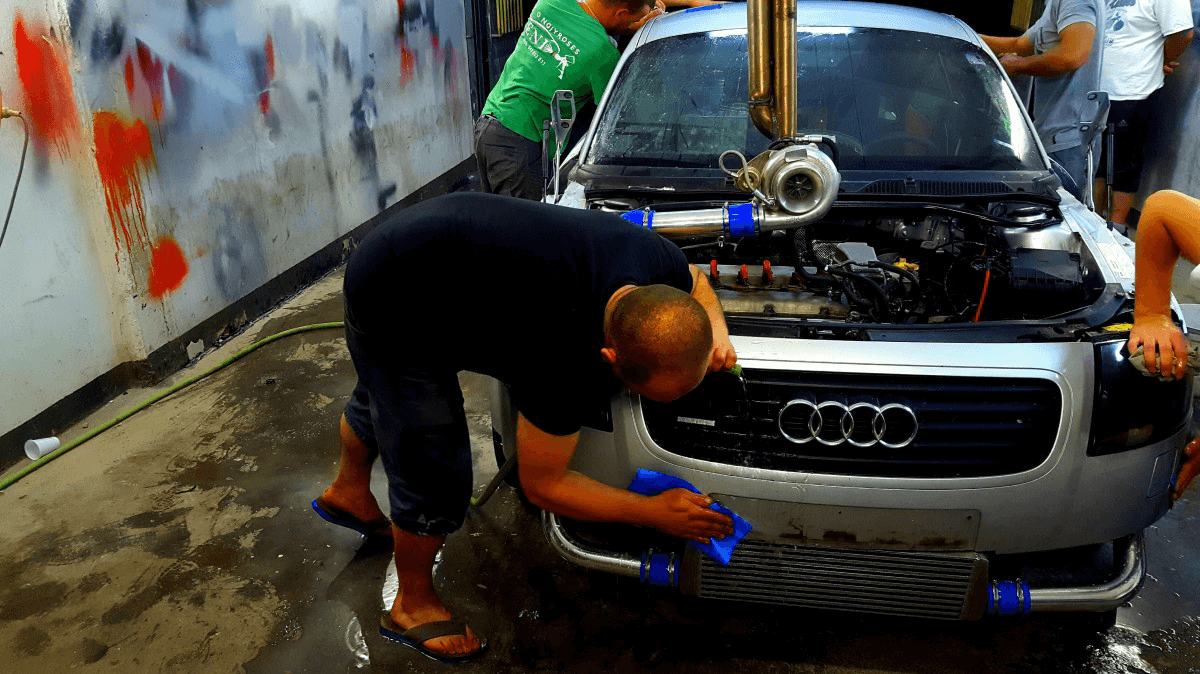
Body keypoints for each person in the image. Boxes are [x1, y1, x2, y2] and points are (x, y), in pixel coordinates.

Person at [313, 192, 737, 662]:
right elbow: (544, 486)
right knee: (431, 459)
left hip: (431, 245)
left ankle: (348, 493)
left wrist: (716, 330)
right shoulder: (562, 354)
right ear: (610, 359)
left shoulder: (653, 258)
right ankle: (411, 606)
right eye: (657, 395)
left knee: (383, 391)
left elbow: (697, 280)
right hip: (393, 292)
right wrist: (654, 511)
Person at [473, 0, 662, 200]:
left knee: (495, 215)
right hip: (520, 141)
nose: (631, 26)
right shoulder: (603, 54)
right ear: (621, 13)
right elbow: (614, 118)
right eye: (632, 21)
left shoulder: (551, 3)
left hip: (488, 126)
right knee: (522, 219)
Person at [978, 0, 1104, 199]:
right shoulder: (1055, 5)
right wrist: (966, 35)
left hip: (1068, 139)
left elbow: (1073, 54)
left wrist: (1019, 65)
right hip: (1050, 135)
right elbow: (1021, 45)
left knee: (1059, 211)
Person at [1095, 0, 1193, 227]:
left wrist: (1160, 60)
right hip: (1099, 90)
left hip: (1134, 90)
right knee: (1098, 162)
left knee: (1124, 167)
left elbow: (1183, 34)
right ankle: (1093, 222)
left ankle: (1116, 230)